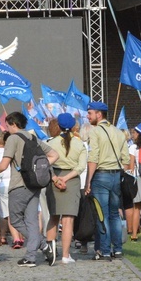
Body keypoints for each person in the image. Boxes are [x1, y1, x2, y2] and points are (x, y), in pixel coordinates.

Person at [0, 111, 59, 267]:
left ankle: (43, 244)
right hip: (34, 183)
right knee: (31, 221)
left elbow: (3, 165)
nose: (7, 129)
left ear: (14, 124)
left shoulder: (13, 139)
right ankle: (31, 257)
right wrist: (39, 168)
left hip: (19, 184)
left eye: (8, 125)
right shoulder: (33, 137)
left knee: (15, 219)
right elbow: (54, 155)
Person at [84, 101, 130, 261]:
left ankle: (104, 251)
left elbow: (93, 158)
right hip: (116, 175)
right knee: (115, 215)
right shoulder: (118, 132)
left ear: (99, 114)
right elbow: (126, 158)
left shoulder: (95, 132)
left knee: (101, 215)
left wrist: (88, 181)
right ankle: (117, 250)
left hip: (101, 175)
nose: (87, 116)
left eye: (90, 113)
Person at [45, 113, 87, 264]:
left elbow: (45, 164)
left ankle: (50, 253)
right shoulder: (79, 144)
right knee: (68, 220)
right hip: (72, 180)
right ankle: (65, 255)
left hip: (54, 177)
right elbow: (81, 166)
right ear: (74, 126)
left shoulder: (50, 142)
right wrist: (67, 178)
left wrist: (56, 178)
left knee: (53, 217)